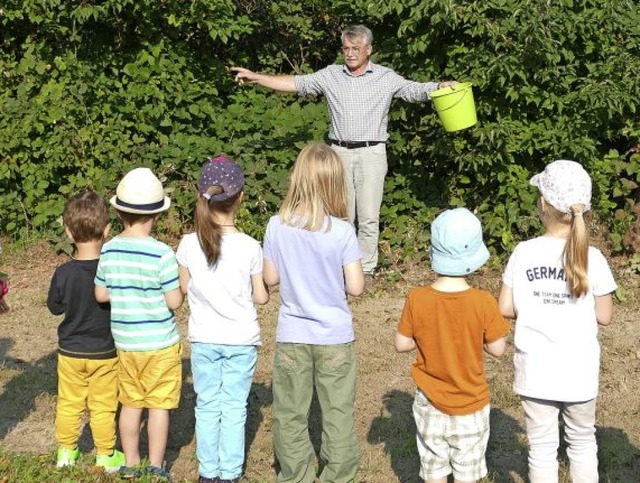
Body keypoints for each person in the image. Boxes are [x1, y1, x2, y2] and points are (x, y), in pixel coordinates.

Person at [232, 24, 457, 277]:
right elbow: (296, 83)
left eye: (356, 48)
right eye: (346, 48)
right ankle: (342, 268)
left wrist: (439, 87)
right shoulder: (331, 75)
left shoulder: (385, 77)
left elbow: (413, 90)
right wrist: (258, 77)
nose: (350, 53)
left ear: (369, 50)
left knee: (369, 217)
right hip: (338, 153)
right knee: (341, 216)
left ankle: (367, 270)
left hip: (372, 153)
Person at [498, 160, 616, 483]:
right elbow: (604, 315)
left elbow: (505, 307)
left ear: (543, 205)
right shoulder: (593, 258)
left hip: (536, 370)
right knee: (581, 443)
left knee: (541, 447)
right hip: (579, 371)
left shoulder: (523, 252)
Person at [262, 143, 365, 483]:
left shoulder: (277, 225)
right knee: (337, 412)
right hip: (334, 336)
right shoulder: (342, 231)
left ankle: (296, 475)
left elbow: (271, 278)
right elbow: (356, 287)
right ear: (336, 183)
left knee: (290, 414)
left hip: (292, 334)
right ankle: (337, 476)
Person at [395, 207, 510, 483]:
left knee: (433, 470)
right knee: (466, 474)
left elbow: (402, 344)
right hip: (471, 404)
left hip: (429, 403)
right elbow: (498, 349)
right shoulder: (484, 302)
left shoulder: (417, 298)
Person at [176, 156, 269, 483]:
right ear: (240, 197)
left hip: (203, 339)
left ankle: (207, 471)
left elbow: (184, 288)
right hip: (241, 340)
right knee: (233, 408)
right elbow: (260, 296)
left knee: (206, 405)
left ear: (202, 196)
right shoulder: (250, 246)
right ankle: (229, 473)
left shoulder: (188, 243)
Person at [94, 167, 184, 479]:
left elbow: (101, 294)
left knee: (131, 404)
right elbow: (174, 301)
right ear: (157, 215)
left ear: (118, 211)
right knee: (158, 406)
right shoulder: (162, 253)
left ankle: (131, 462)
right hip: (160, 343)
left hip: (126, 343)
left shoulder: (108, 249)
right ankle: (157, 465)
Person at [46, 191, 125, 472]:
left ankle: (66, 452)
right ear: (106, 230)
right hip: (104, 351)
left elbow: (54, 307)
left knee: (69, 403)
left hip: (69, 351)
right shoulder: (112, 270)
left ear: (67, 231)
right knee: (103, 406)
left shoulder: (63, 273)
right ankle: (106, 455)